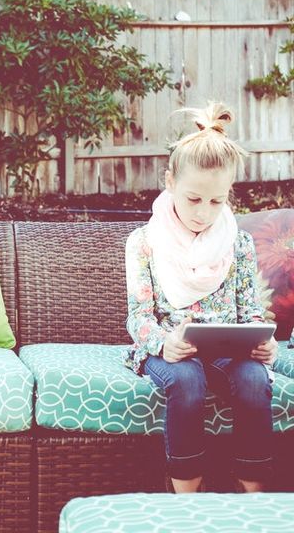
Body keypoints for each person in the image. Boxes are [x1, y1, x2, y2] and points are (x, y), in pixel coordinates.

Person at [124, 102, 277, 494]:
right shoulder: (144, 242)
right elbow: (138, 317)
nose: (204, 213)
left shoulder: (237, 243)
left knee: (254, 378)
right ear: (170, 181)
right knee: (188, 381)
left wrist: (264, 342)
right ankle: (187, 498)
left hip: (227, 352)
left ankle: (254, 495)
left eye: (216, 201)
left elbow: (250, 311)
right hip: (170, 352)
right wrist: (164, 342)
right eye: (194, 199)